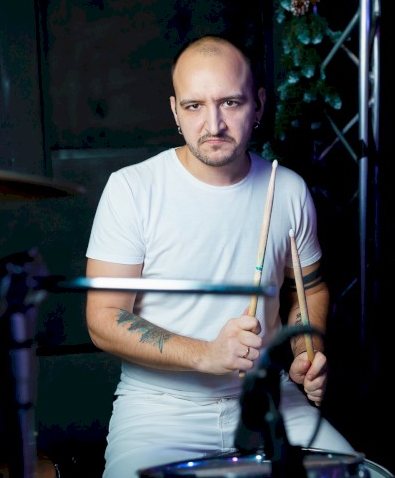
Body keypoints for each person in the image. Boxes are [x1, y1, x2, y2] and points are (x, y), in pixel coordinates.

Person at [84, 34, 355, 477]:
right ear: (175, 111)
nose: (214, 124)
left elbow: (309, 288)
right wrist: (204, 354)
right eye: (194, 106)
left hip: (268, 399)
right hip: (159, 408)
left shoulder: (287, 189)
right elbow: (103, 317)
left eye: (230, 102)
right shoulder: (133, 189)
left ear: (259, 104)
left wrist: (308, 349)